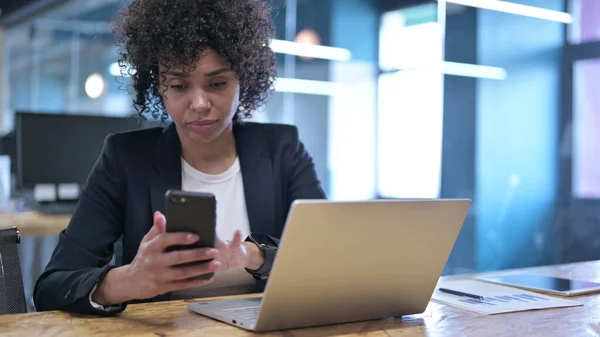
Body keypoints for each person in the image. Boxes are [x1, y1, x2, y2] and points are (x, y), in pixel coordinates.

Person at [33, 0, 326, 316]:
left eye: (217, 83)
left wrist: (253, 256)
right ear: (158, 86)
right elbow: (52, 287)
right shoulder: (126, 159)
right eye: (178, 85)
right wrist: (127, 281)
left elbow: (332, 256)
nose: (199, 103)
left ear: (244, 79)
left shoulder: (283, 149)